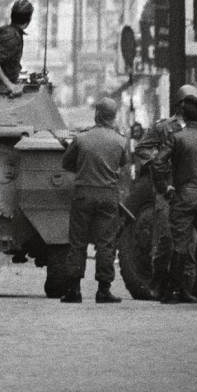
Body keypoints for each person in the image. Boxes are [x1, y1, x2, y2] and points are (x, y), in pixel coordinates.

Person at [136, 84, 197, 304]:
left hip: (186, 187)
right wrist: (160, 172)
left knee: (189, 243)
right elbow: (142, 148)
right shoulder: (164, 127)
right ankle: (159, 283)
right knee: (166, 238)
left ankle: (185, 285)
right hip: (170, 187)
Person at [59, 97, 131, 304]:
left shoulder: (81, 139)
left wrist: (83, 169)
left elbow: (67, 164)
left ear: (97, 114)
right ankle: (103, 290)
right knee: (106, 244)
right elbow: (123, 164)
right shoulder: (120, 140)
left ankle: (74, 290)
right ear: (114, 116)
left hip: (83, 195)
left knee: (78, 243)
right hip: (108, 196)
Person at [0, 0, 33, 98]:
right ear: (28, 20)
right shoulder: (12, 38)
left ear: (12, 16)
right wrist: (9, 85)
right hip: (1, 91)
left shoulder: (4, 31)